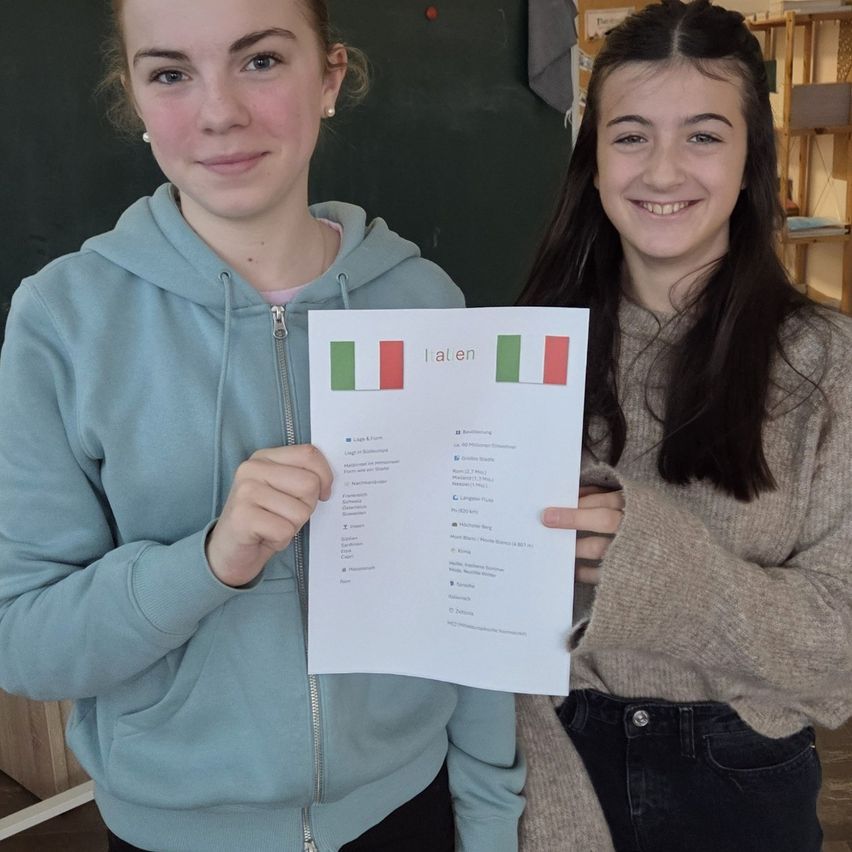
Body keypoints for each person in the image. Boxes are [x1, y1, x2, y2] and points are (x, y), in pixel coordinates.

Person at [0, 1, 525, 850]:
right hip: (176, 832)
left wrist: (493, 819)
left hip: (407, 809)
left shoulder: (424, 302)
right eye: (170, 73)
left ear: (330, 77)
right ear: (134, 98)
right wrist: (211, 562)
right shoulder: (63, 321)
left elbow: (465, 604)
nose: (218, 113)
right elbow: (23, 643)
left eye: (261, 61)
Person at [514, 1, 852, 850]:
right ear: (592, 162)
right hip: (546, 760)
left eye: (703, 136)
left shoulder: (828, 362)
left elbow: (838, 655)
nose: (662, 171)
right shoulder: (517, 349)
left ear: (750, 162)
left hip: (740, 781)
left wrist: (649, 562)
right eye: (630, 136)